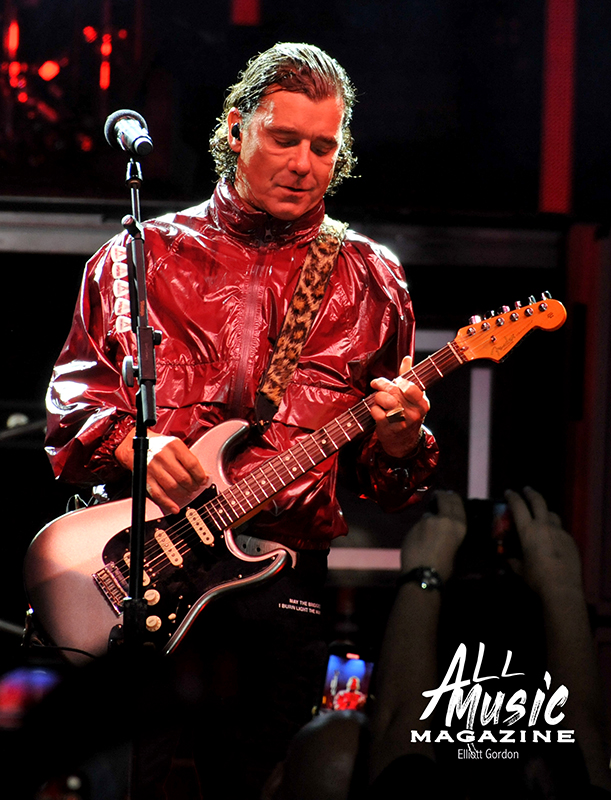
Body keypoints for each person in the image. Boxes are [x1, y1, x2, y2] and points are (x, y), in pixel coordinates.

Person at [43, 42, 438, 798]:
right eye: (284, 139)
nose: (303, 164)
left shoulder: (371, 279)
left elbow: (387, 485)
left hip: (279, 590)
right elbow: (72, 411)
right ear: (235, 127)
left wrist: (399, 443)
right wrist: (132, 444)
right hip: (142, 570)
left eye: (322, 147)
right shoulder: (137, 256)